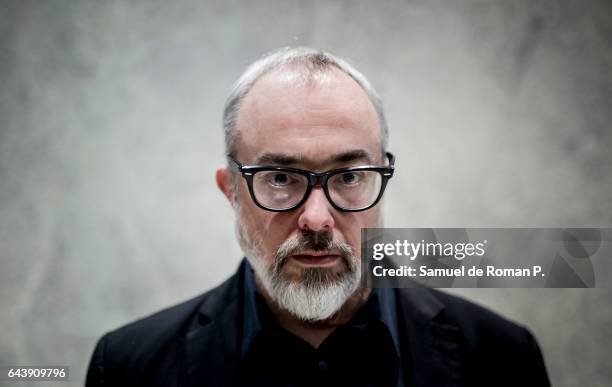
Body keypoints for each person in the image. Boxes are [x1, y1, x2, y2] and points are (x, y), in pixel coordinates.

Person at [86, 47, 550, 387]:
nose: (316, 218)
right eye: (281, 178)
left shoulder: (502, 358)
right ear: (230, 190)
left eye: (348, 176)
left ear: (381, 179)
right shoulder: (128, 367)